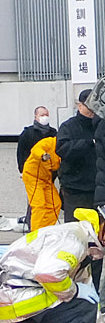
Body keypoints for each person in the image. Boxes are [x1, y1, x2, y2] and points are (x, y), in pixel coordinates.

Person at [56, 89, 97, 223]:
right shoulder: (68, 126)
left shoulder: (100, 125)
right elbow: (62, 149)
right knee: (77, 230)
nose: (92, 109)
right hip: (75, 189)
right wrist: (89, 143)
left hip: (98, 188)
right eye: (88, 105)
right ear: (80, 106)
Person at [21, 135, 61, 230]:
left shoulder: (64, 149)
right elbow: (36, 149)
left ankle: (46, 229)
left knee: (56, 204)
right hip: (32, 176)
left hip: (46, 179)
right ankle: (35, 233)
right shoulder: (49, 142)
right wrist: (42, 155)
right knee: (39, 205)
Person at [17, 106, 56, 174]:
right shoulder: (27, 133)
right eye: (42, 115)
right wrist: (22, 169)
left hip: (48, 171)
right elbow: (21, 152)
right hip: (32, 170)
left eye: (46, 115)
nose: (45, 117)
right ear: (36, 117)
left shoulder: (53, 132)